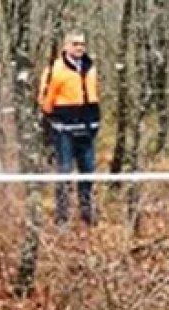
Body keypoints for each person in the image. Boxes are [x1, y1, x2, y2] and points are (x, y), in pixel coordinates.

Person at [39, 31, 101, 226]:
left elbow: (94, 94)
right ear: (65, 47)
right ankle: (62, 216)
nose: (80, 47)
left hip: (88, 128)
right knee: (64, 171)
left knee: (88, 171)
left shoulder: (90, 68)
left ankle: (87, 213)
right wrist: (56, 120)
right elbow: (45, 100)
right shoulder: (54, 69)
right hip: (64, 129)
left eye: (82, 43)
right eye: (75, 44)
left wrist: (95, 120)